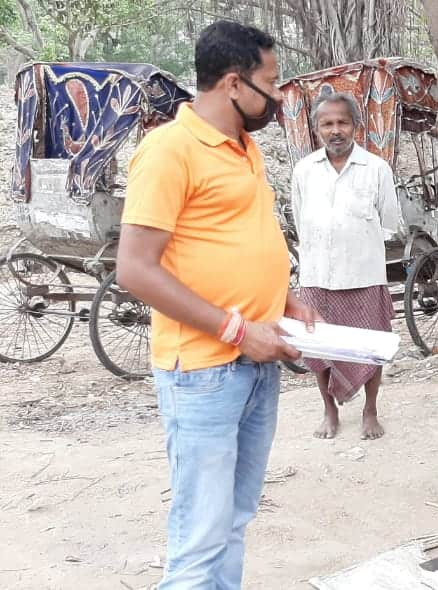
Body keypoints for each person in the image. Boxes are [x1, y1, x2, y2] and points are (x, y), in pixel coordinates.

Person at [117, 21, 321, 589]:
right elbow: (134, 268)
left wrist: (283, 298)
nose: (279, 97)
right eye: (272, 82)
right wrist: (235, 329)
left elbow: (232, 240)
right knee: (201, 536)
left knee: (233, 521)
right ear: (234, 83)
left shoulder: (244, 147)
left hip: (258, 360)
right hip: (205, 373)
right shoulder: (168, 150)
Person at [289, 92, 402, 440]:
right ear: (317, 129)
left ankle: (370, 410)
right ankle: (329, 409)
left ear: (355, 126)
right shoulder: (304, 170)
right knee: (319, 349)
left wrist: (356, 243)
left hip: (364, 275)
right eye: (327, 123)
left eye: (342, 122)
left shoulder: (376, 169)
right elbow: (299, 220)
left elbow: (391, 222)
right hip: (318, 276)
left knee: (372, 347)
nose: (335, 130)